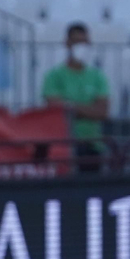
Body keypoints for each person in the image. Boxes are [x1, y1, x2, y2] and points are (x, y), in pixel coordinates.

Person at [41, 22, 110, 173]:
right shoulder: (54, 76)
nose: (81, 47)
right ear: (67, 43)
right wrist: (88, 109)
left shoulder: (97, 76)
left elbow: (103, 112)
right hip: (63, 147)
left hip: (92, 146)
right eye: (77, 42)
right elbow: (54, 108)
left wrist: (70, 107)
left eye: (84, 42)